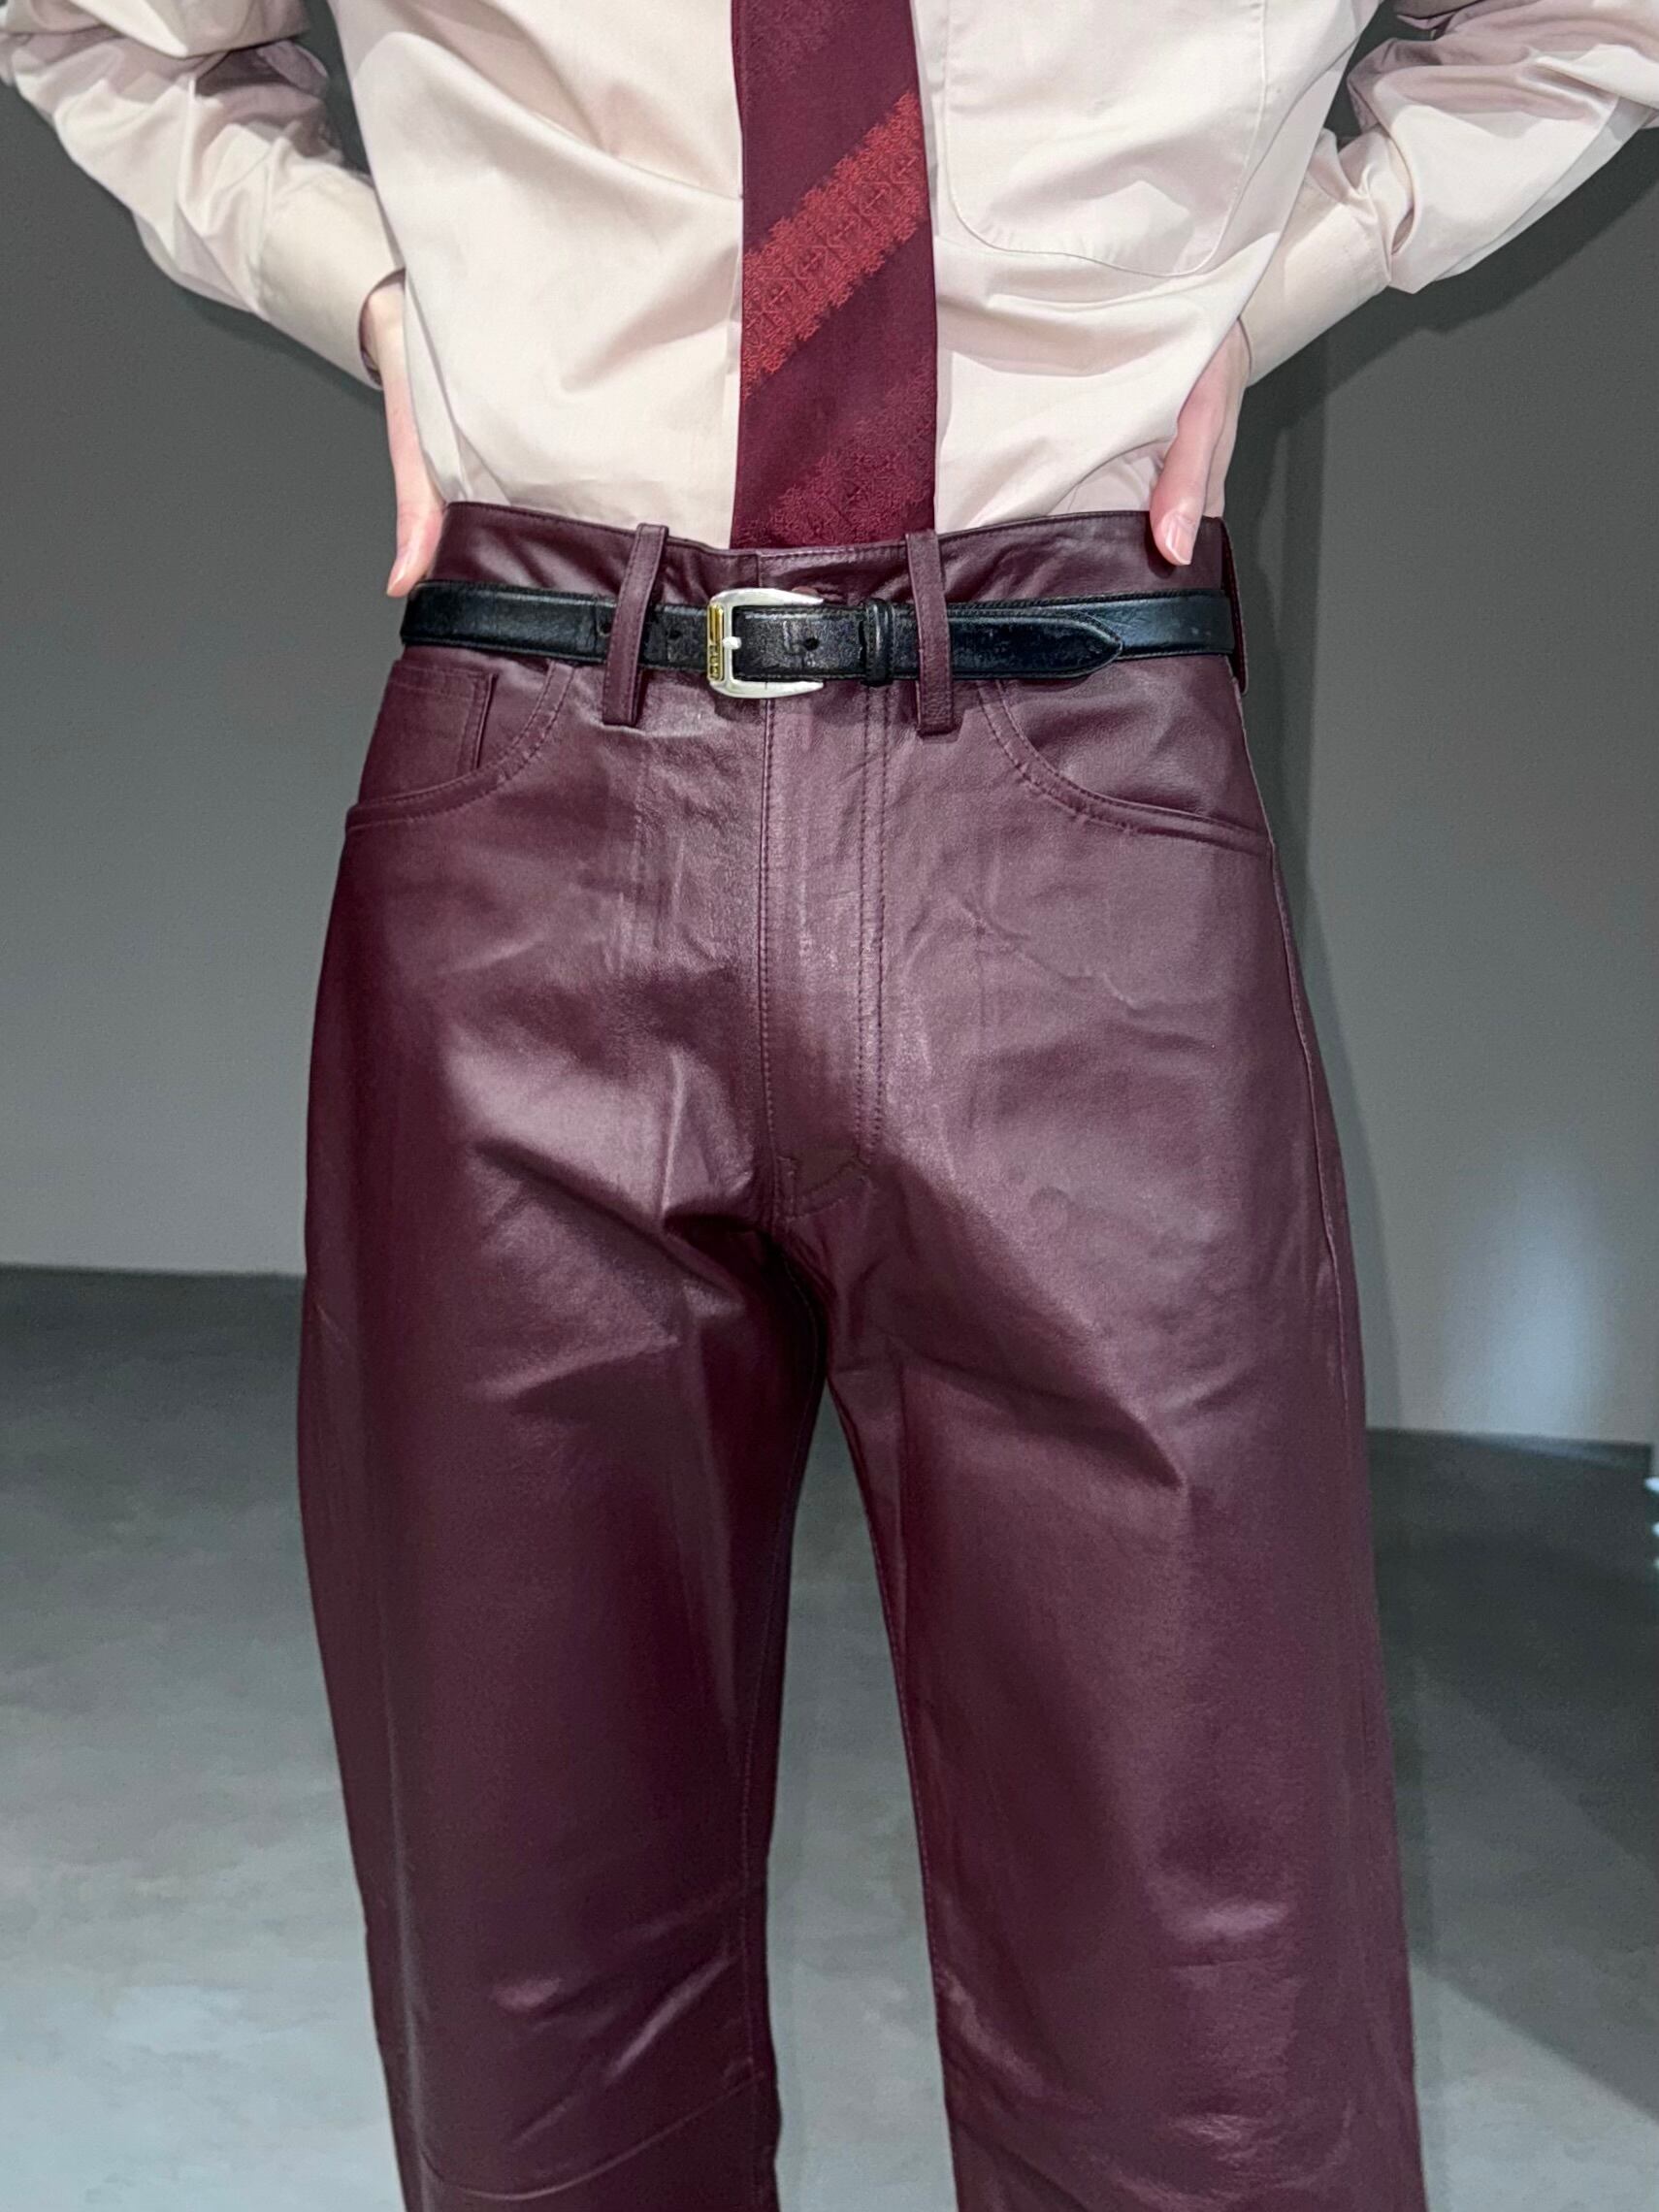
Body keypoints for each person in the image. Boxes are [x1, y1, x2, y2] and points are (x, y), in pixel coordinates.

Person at [6, 6, 1655, 2209]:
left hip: (1072, 750)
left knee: (1205, 2006)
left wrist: (1287, 277)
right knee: (531, 1973)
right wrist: (370, 294)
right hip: (537, 748)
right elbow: (116, 27)